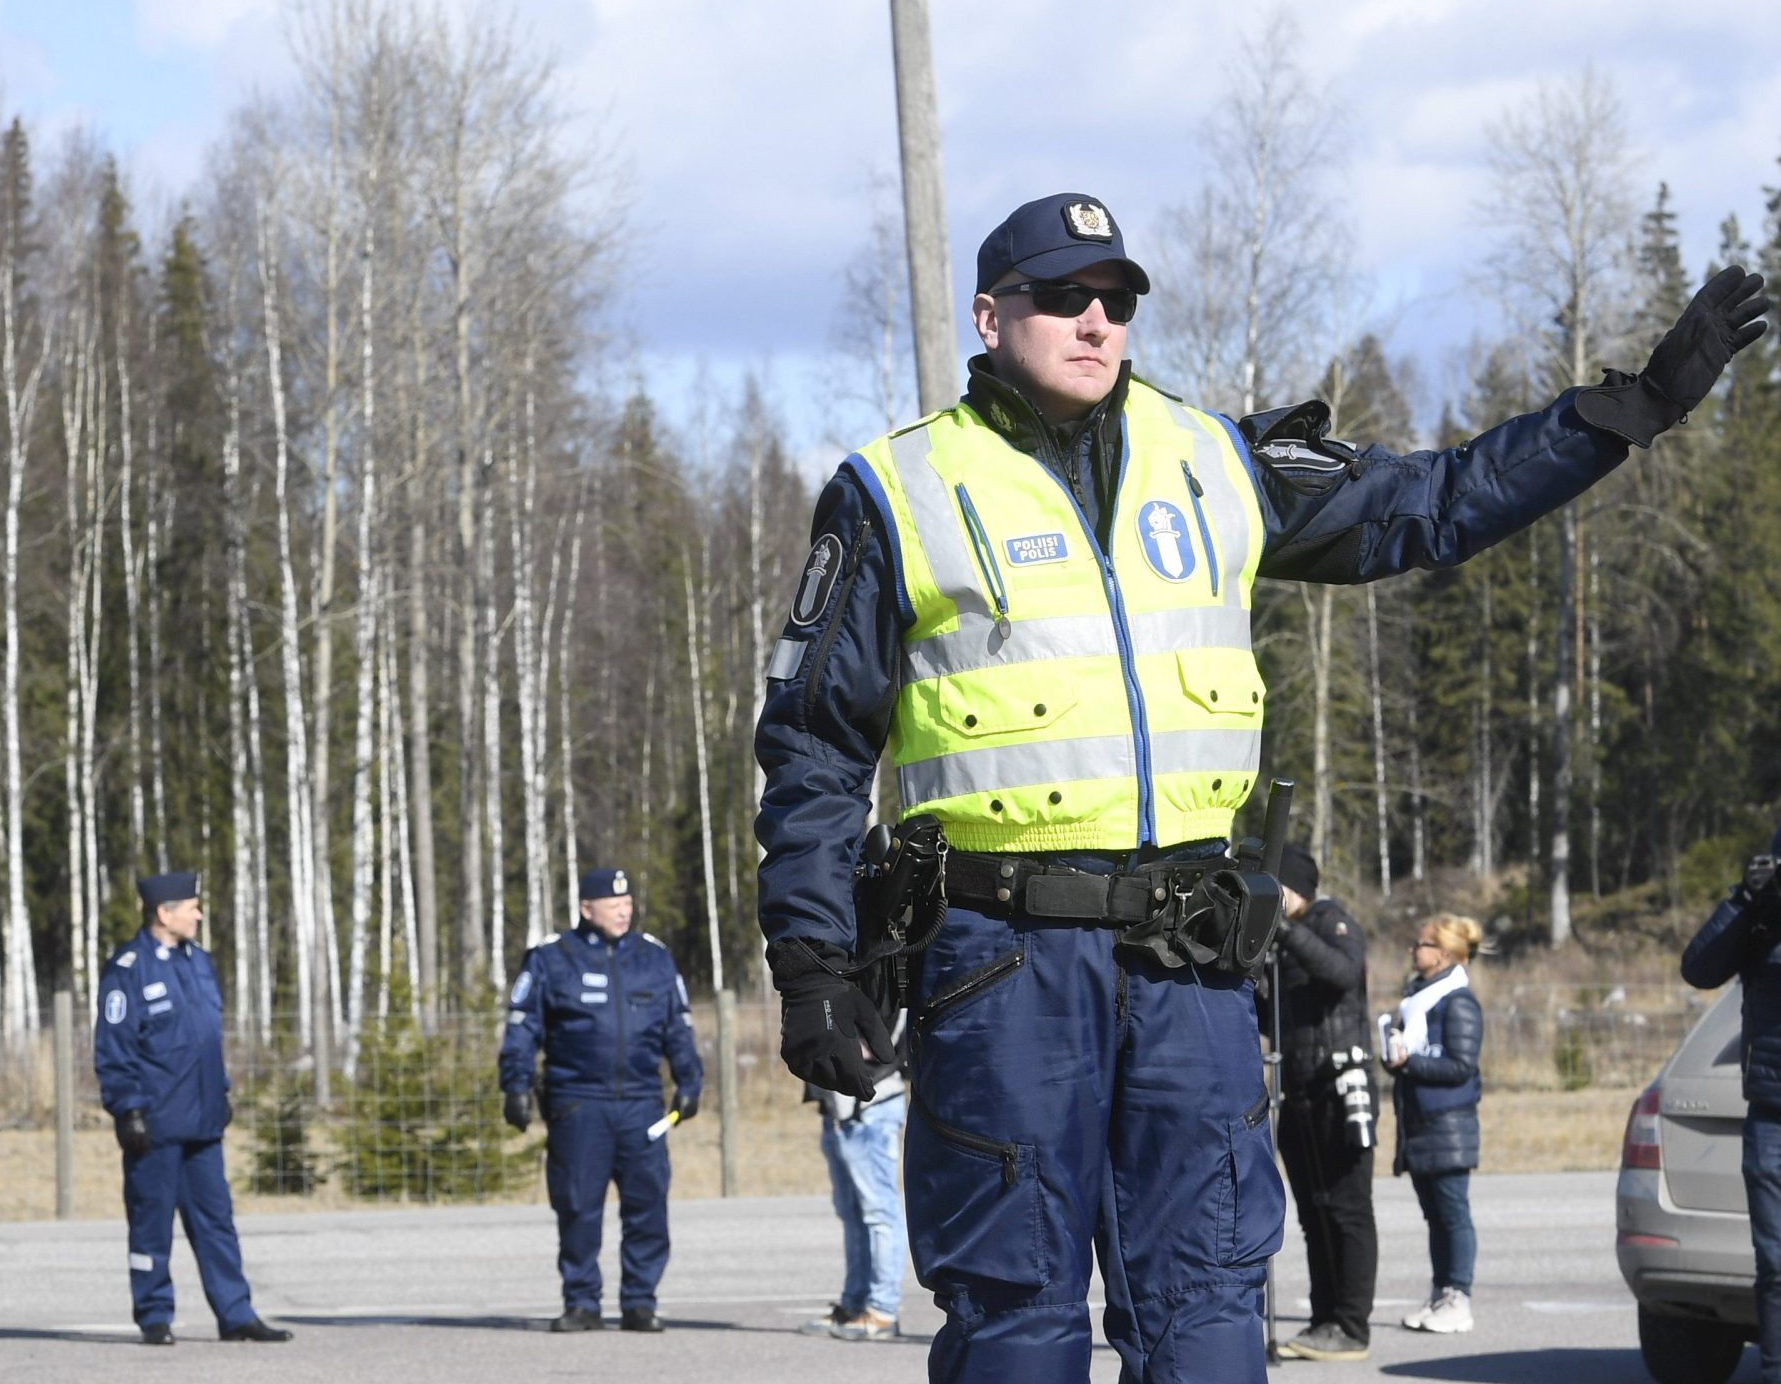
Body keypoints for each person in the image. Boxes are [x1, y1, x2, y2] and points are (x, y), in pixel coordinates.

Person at [752, 188, 1771, 1382]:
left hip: (1189, 966)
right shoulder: (898, 490)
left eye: (1116, 298)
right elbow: (816, 745)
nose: (1094, 320)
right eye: (1061, 297)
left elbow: (1431, 505)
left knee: (1209, 1317)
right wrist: (812, 963)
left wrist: (1625, 413)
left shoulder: (1214, 460)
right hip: (1002, 963)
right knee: (1013, 1321)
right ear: (990, 314)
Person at [498, 867, 704, 1334]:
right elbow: (521, 1026)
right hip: (578, 1103)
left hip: (642, 1105)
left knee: (648, 1207)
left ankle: (640, 1302)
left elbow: (679, 1025)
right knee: (577, 1207)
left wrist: (690, 1080)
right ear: (587, 909)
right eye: (613, 903)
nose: (624, 909)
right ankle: (581, 1302)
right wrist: (514, 1084)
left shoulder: (654, 958)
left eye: (628, 901)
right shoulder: (553, 958)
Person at [94, 871, 292, 1346]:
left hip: (202, 1122)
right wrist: (128, 1109)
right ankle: (154, 1315)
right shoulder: (128, 968)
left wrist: (220, 1093)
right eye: (192, 907)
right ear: (165, 913)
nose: (199, 914)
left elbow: (206, 1040)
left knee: (217, 1223)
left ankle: (236, 1313)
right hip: (156, 1124)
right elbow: (114, 1047)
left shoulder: (199, 963)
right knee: (151, 1223)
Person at [1259, 844, 1377, 1362]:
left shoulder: (1331, 922)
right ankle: (1323, 1319)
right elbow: (1274, 1017)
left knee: (1347, 1210)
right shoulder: (1285, 944)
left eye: (1274, 889)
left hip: (1340, 1086)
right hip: (1299, 1090)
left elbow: (1343, 974)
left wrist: (1285, 931)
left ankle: (1350, 1324)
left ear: (1295, 889)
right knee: (1314, 1213)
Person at [1678, 826, 1781, 1379]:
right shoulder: (1760, 919)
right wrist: (1744, 899)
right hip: (1772, 1115)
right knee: (1776, 1267)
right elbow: (1698, 969)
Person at [1387, 913, 1484, 1335]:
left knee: (1452, 1214)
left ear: (1443, 954)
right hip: (1421, 1122)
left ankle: (1458, 1298)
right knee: (1435, 1216)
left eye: (1421, 943)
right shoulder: (1418, 998)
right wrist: (1394, 1058)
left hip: (1448, 1123)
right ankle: (1441, 1292)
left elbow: (1461, 1065)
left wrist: (1412, 1062)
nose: (1413, 949)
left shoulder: (1458, 1001)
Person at [799, 1010, 908, 1342]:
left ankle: (883, 1310)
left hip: (870, 1106)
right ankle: (855, 1302)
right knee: (852, 1213)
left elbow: (885, 1040)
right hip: (839, 1108)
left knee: (880, 1212)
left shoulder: (881, 967)